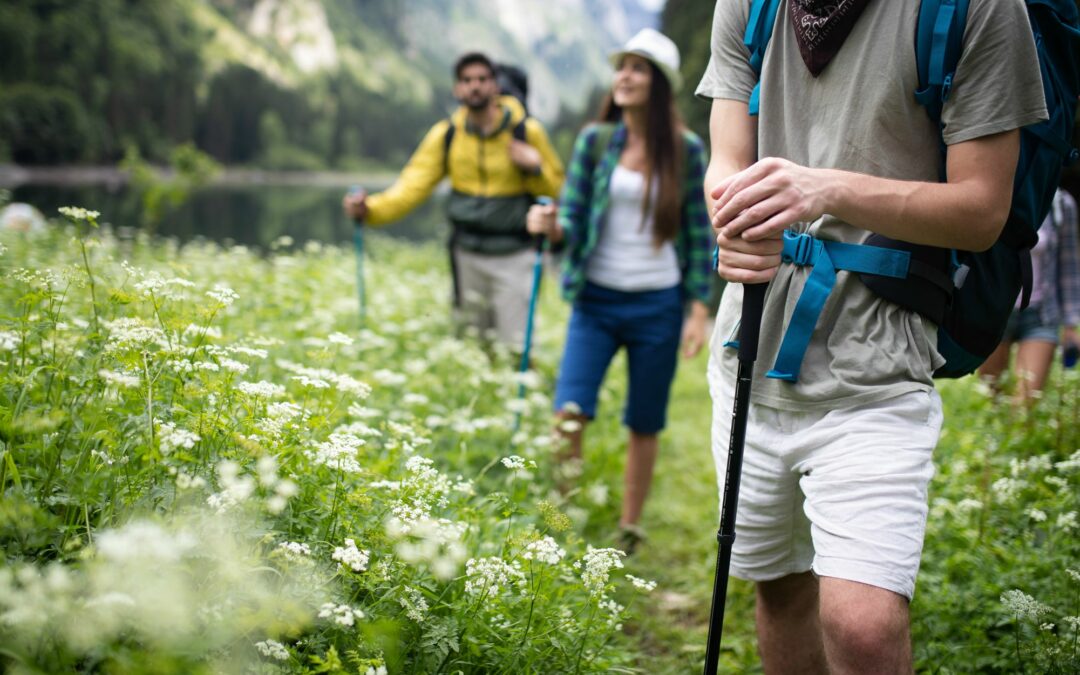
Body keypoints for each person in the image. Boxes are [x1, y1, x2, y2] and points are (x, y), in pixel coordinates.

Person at [697, 1, 1046, 672]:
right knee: (780, 589)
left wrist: (822, 188)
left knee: (863, 625)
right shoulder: (747, 5)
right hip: (750, 344)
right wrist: (733, 217)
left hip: (880, 362)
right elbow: (725, 162)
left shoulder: (977, 8)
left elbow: (981, 209)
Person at [526, 29, 712, 553]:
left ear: (658, 83)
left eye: (638, 67)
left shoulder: (686, 151)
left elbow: (700, 231)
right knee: (569, 411)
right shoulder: (595, 141)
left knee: (644, 420)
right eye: (621, 66)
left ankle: (629, 528)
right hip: (596, 301)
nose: (624, 76)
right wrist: (550, 225)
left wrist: (697, 309)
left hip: (658, 303)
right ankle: (559, 522)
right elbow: (573, 217)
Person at [342, 52, 564, 351]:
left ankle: (520, 393)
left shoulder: (526, 131)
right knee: (473, 346)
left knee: (517, 347)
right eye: (467, 80)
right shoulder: (447, 135)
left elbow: (557, 190)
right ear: (457, 89)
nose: (475, 87)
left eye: (482, 79)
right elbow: (412, 185)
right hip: (466, 255)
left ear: (495, 86)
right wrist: (370, 210)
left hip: (516, 255)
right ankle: (477, 398)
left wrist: (534, 167)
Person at [978, 187, 1080, 401]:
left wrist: (1071, 324)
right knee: (993, 397)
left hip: (1042, 315)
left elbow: (1068, 266)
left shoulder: (1060, 204)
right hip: (996, 312)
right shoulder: (994, 194)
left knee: (1026, 401)